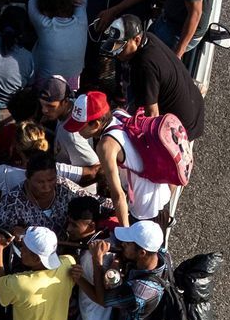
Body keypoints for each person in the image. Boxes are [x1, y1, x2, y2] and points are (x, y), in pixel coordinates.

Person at [66, 89, 174, 229]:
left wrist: (126, 235)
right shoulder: (119, 114)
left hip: (145, 211)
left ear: (96, 125)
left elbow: (118, 195)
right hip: (161, 193)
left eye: (80, 127)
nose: (78, 131)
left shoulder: (106, 146)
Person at [115, 21, 206, 140]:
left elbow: (152, 115)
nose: (117, 52)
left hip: (182, 129)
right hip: (195, 108)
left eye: (121, 46)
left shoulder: (145, 66)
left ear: (137, 40)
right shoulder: (149, 38)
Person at [26, 0, 89, 88]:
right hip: (72, 82)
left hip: (46, 82)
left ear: (46, 12)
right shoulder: (81, 19)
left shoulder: (44, 25)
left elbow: (31, 2)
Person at [0, 155, 84, 230]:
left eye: (51, 180)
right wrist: (13, 231)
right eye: (40, 182)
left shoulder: (66, 188)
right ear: (28, 178)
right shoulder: (11, 204)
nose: (47, 187)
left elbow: (95, 203)